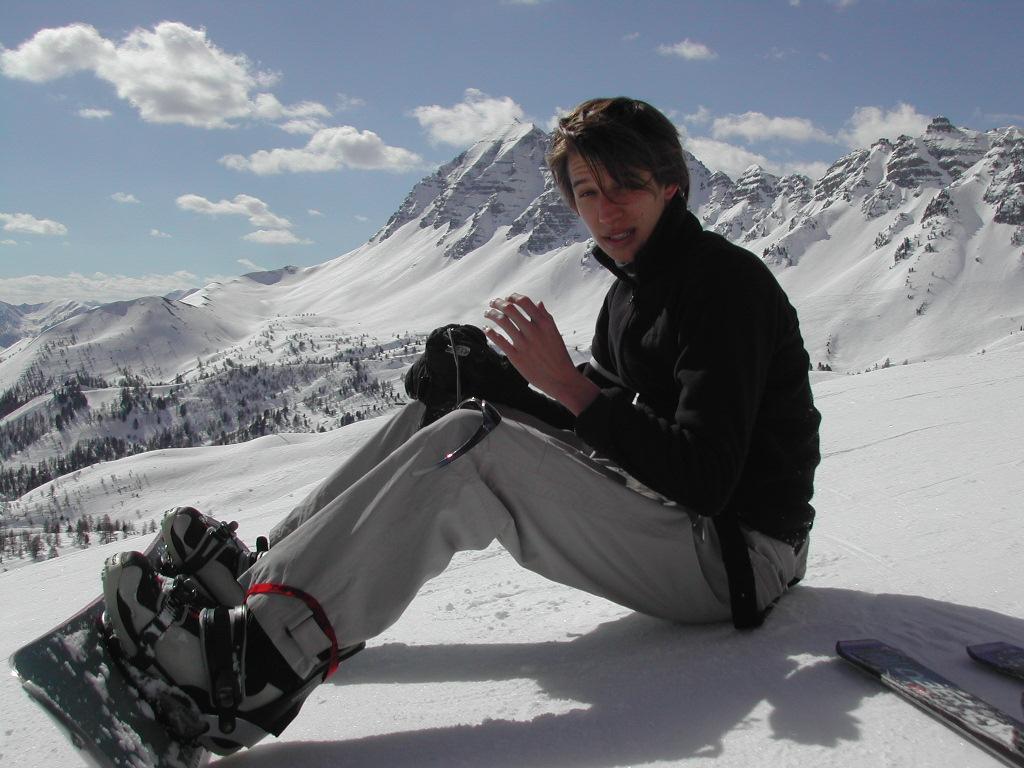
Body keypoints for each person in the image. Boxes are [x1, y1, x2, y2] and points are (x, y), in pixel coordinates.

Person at [103, 96, 821, 755]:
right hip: (682, 521)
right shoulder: (636, 290)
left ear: (671, 185)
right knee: (454, 411)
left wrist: (564, 384)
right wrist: (500, 386)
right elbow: (605, 422)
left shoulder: (724, 286)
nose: (606, 211)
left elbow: (706, 478)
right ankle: (263, 584)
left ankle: (255, 671)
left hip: (738, 558)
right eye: (586, 192)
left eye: (624, 186)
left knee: (471, 451)